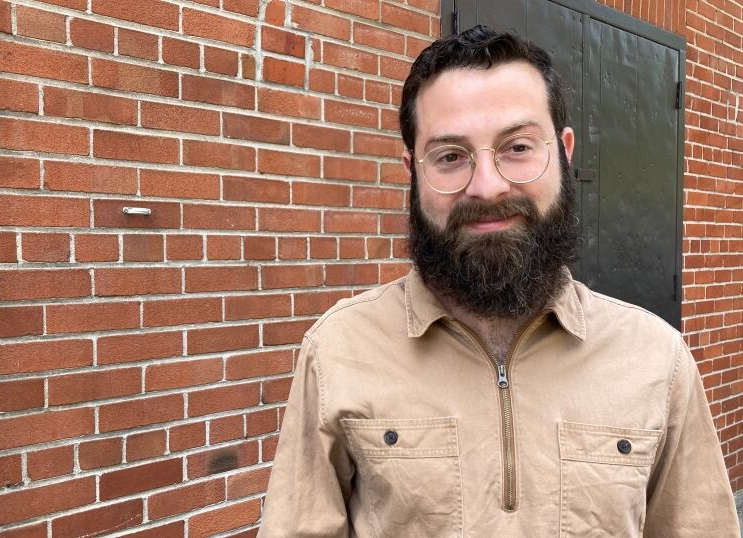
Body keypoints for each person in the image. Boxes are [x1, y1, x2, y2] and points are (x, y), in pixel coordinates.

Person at [258, 26, 740, 537]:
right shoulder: (338, 350)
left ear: (563, 152)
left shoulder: (656, 359)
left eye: (517, 148)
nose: (487, 187)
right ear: (412, 171)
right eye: (450, 156)